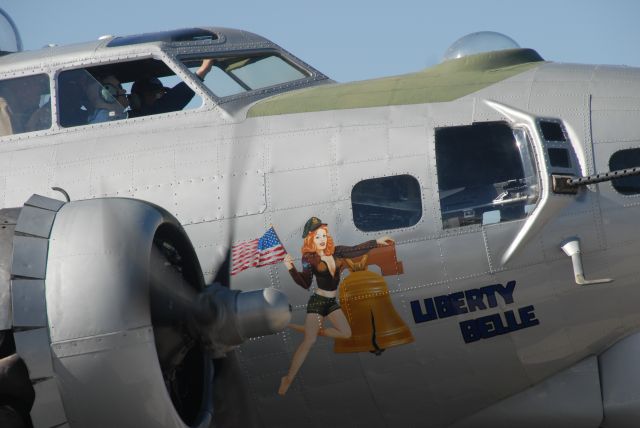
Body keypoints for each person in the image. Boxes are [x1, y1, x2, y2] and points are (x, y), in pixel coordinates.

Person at [278, 217, 393, 396]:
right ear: (310, 240)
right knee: (309, 341)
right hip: (318, 302)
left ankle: (317, 330)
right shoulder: (309, 258)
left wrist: (376, 242)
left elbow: (356, 250)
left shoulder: (337, 252)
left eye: (323, 235)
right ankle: (288, 378)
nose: (322, 239)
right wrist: (290, 268)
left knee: (346, 333)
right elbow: (306, 283)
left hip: (331, 302)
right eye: (317, 237)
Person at [128, 58, 215, 118]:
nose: (161, 98)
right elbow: (176, 97)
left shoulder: (127, 116)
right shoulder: (152, 112)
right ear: (137, 99)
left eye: (163, 94)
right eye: (156, 94)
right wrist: (204, 69)